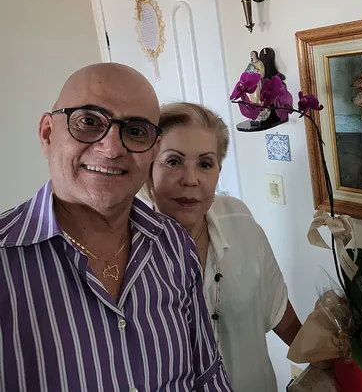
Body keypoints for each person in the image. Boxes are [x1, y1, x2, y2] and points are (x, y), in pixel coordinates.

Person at [0, 64, 233, 391]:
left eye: (135, 131)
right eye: (88, 122)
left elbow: (207, 375)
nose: (111, 149)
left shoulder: (173, 244)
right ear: (48, 133)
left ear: (152, 150)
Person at [144, 101, 302, 392]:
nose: (190, 179)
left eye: (205, 164)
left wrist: (334, 363)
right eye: (173, 161)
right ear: (149, 167)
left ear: (218, 171)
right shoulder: (126, 252)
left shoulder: (239, 221)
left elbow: (279, 311)